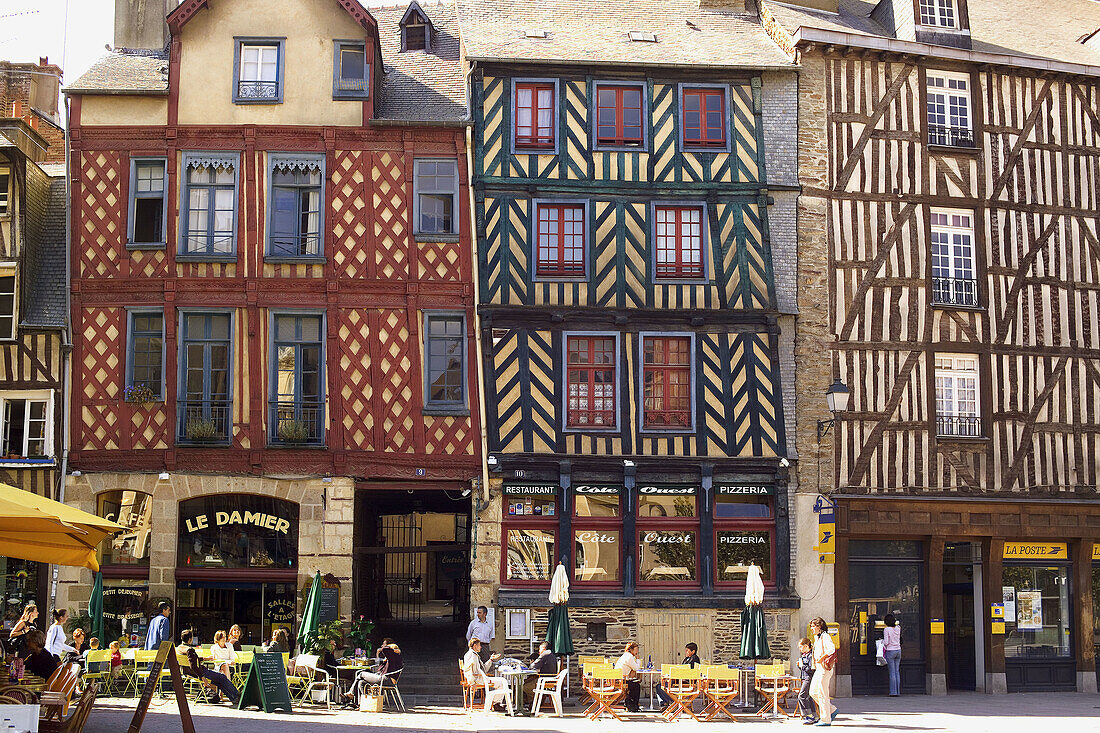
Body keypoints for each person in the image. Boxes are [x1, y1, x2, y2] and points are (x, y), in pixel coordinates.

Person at [176, 629, 239, 704]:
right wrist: (202, 677)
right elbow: (193, 666)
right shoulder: (190, 650)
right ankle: (237, 695)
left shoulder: (179, 648)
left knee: (219, 681)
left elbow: (191, 660)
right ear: (190, 639)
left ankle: (234, 698)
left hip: (187, 672)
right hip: (200, 672)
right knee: (222, 677)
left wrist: (205, 658)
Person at [345, 638, 403, 707]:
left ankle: (351, 693)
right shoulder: (389, 657)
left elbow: (385, 649)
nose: (382, 646)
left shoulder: (393, 656)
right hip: (381, 677)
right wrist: (378, 654)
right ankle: (360, 704)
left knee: (360, 673)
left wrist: (391, 647)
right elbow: (379, 665)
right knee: (361, 682)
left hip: (386, 679)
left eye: (384, 644)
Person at [462, 638, 511, 714]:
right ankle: (495, 703)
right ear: (475, 645)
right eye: (479, 645)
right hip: (478, 679)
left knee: (502, 681)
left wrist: (491, 660)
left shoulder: (474, 655)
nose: (480, 647)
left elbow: (484, 668)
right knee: (502, 682)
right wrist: (472, 682)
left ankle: (495, 703)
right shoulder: (471, 655)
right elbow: (467, 670)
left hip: (481, 677)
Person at [809, 617, 837, 726]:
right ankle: (831, 710)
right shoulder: (817, 637)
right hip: (819, 668)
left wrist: (822, 658)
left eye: (813, 626)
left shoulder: (825, 636)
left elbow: (831, 649)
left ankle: (825, 719)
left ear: (819, 626)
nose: (811, 628)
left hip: (824, 668)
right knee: (813, 691)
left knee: (822, 693)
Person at [656, 642, 701, 707]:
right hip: (679, 679)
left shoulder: (694, 658)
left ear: (693, 651)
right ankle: (666, 703)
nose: (686, 652)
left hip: (685, 681)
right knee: (660, 686)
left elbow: (686, 670)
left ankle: (673, 701)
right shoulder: (687, 658)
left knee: (661, 686)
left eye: (687, 650)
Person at [523, 641, 558, 706]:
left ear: (543, 648)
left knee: (526, 687)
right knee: (526, 682)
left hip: (545, 679)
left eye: (540, 649)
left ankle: (534, 703)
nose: (539, 651)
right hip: (548, 677)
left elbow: (533, 666)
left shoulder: (545, 654)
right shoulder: (550, 654)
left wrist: (532, 663)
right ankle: (529, 702)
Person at [796, 637, 818, 724]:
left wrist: (802, 666)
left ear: (805, 646)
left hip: (808, 678)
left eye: (801, 647)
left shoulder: (810, 656)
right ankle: (814, 716)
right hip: (805, 677)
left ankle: (808, 716)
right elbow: (804, 669)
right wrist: (799, 666)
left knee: (801, 696)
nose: (800, 649)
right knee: (809, 697)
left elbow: (811, 669)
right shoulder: (805, 655)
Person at [615, 641, 642, 713]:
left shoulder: (625, 655)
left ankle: (630, 704)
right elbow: (636, 668)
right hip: (621, 680)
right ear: (631, 650)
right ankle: (633, 705)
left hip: (618, 678)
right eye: (636, 650)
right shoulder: (629, 657)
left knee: (634, 684)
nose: (637, 652)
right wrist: (638, 660)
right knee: (636, 686)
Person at [882, 614, 902, 696]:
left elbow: (886, 642)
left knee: (892, 672)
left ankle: (893, 692)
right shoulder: (898, 628)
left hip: (890, 651)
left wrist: (881, 641)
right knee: (897, 671)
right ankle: (898, 691)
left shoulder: (887, 629)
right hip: (898, 650)